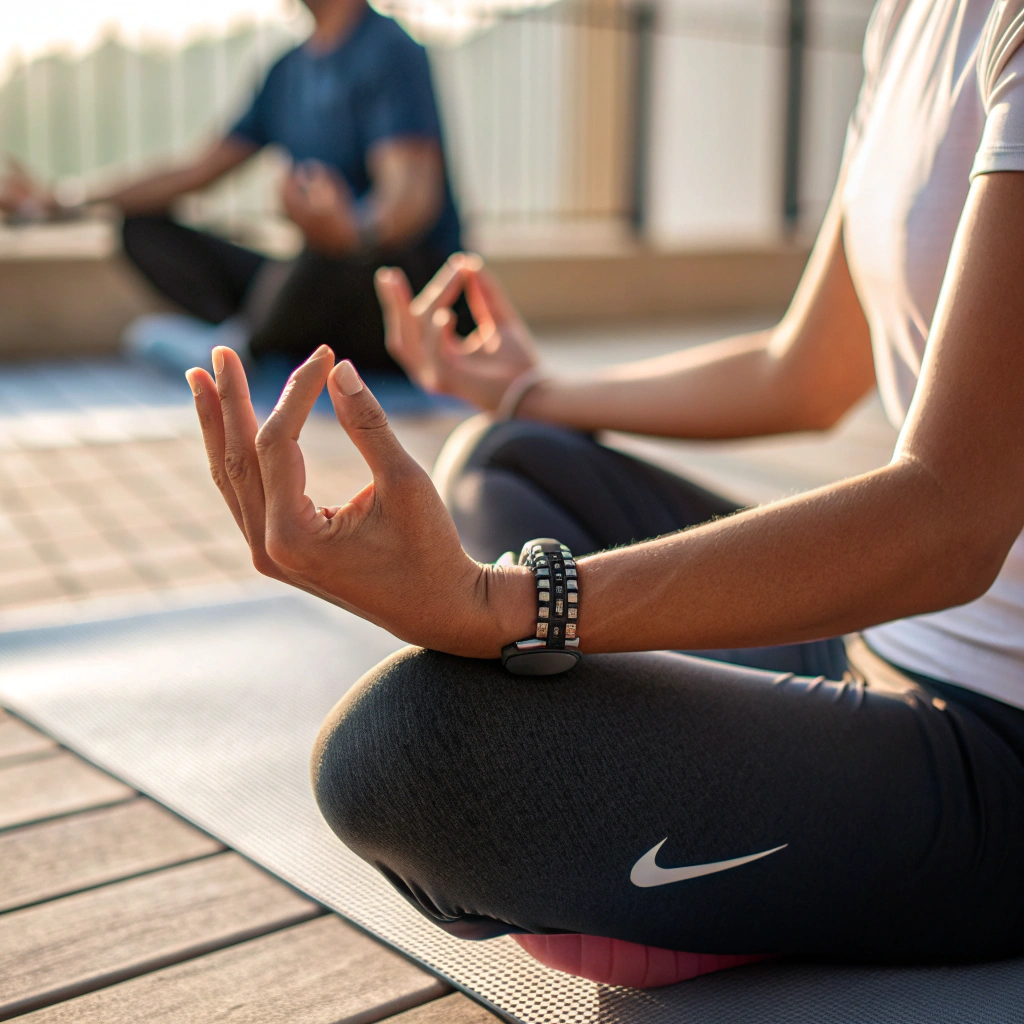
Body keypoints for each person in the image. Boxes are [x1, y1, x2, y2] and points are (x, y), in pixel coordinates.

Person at [184, 0, 1024, 990]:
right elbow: (804, 369)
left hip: (995, 745)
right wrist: (533, 392)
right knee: (510, 459)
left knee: (406, 753)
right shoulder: (909, 16)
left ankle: (723, 850)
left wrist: (506, 607)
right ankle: (722, 837)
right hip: (869, 634)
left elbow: (951, 521)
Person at [0, 0, 463, 372]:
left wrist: (351, 232)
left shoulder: (389, 50)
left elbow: (411, 198)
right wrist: (60, 201)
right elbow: (194, 171)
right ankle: (252, 336)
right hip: (312, 280)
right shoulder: (287, 71)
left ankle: (242, 348)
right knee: (142, 228)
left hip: (393, 294)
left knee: (327, 256)